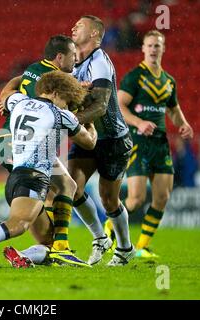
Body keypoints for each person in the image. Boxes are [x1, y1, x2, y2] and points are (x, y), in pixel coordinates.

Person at [0, 71, 97, 269]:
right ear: (56, 93)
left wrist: (23, 77)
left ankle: (24, 255)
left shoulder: (19, 102)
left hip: (16, 176)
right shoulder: (61, 114)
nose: (67, 105)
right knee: (17, 225)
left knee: (48, 240)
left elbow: (7, 91)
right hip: (33, 178)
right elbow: (89, 143)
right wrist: (90, 122)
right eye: (66, 99)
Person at [0, 35, 90, 267]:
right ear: (59, 57)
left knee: (56, 191)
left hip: (7, 140)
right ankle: (66, 244)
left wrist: (4, 97)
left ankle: (44, 249)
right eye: (72, 56)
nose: (76, 60)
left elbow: (13, 85)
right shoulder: (55, 80)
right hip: (24, 143)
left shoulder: (33, 69)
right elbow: (72, 119)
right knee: (63, 187)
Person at [111, 30, 193, 258]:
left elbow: (173, 109)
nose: (154, 49)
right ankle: (109, 233)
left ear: (163, 49)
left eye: (158, 45)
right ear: (143, 49)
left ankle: (142, 247)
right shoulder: (135, 76)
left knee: (162, 197)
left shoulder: (169, 81)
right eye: (150, 45)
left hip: (160, 143)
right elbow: (119, 105)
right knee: (136, 199)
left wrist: (183, 124)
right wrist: (139, 122)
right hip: (138, 142)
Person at [69, 15, 135, 266]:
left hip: (113, 139)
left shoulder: (100, 62)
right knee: (72, 187)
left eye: (80, 25)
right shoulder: (72, 64)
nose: (74, 27)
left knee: (108, 199)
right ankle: (100, 238)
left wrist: (69, 121)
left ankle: (125, 248)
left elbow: (101, 106)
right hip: (88, 136)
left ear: (95, 34)